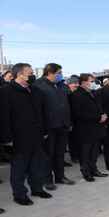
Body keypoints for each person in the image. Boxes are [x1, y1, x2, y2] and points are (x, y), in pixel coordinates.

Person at [0, 63, 52, 205]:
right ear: (19, 74)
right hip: (18, 137)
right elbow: (4, 117)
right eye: (29, 73)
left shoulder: (35, 91)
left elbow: (43, 113)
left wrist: (45, 130)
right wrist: (7, 138)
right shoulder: (6, 91)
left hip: (37, 135)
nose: (32, 76)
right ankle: (20, 195)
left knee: (37, 165)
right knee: (19, 168)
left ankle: (37, 189)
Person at [33, 63, 75, 190]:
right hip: (49, 126)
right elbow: (37, 109)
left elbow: (67, 104)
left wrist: (69, 122)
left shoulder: (61, 85)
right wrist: (42, 128)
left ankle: (60, 176)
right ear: (50, 73)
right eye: (59, 73)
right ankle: (47, 180)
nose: (60, 75)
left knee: (60, 153)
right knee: (48, 155)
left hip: (62, 124)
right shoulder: (38, 85)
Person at [70, 74, 108, 182]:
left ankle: (94, 169)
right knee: (85, 152)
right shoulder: (76, 95)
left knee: (94, 151)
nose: (93, 83)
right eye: (91, 81)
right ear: (83, 82)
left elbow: (98, 107)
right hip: (85, 129)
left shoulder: (92, 93)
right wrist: (98, 117)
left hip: (96, 127)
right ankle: (86, 172)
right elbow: (78, 114)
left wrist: (103, 114)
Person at [65, 76, 80, 163]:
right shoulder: (67, 93)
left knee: (76, 139)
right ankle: (74, 156)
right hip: (70, 120)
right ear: (69, 84)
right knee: (72, 140)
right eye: (74, 83)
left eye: (77, 83)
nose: (76, 85)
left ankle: (76, 155)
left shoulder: (76, 93)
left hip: (76, 120)